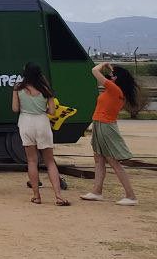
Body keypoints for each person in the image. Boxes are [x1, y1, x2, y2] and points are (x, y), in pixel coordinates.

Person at [80, 63, 145, 205]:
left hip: (105, 126)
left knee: (113, 161)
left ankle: (131, 196)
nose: (110, 75)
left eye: (113, 74)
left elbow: (94, 71)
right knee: (99, 159)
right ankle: (97, 191)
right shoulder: (114, 90)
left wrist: (104, 65)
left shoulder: (115, 89)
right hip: (100, 124)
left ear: (117, 78)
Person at [12, 62, 69, 205]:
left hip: (25, 121)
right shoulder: (45, 89)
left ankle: (37, 196)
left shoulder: (18, 88)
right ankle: (58, 196)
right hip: (42, 122)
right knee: (49, 161)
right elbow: (52, 111)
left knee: (32, 161)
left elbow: (15, 108)